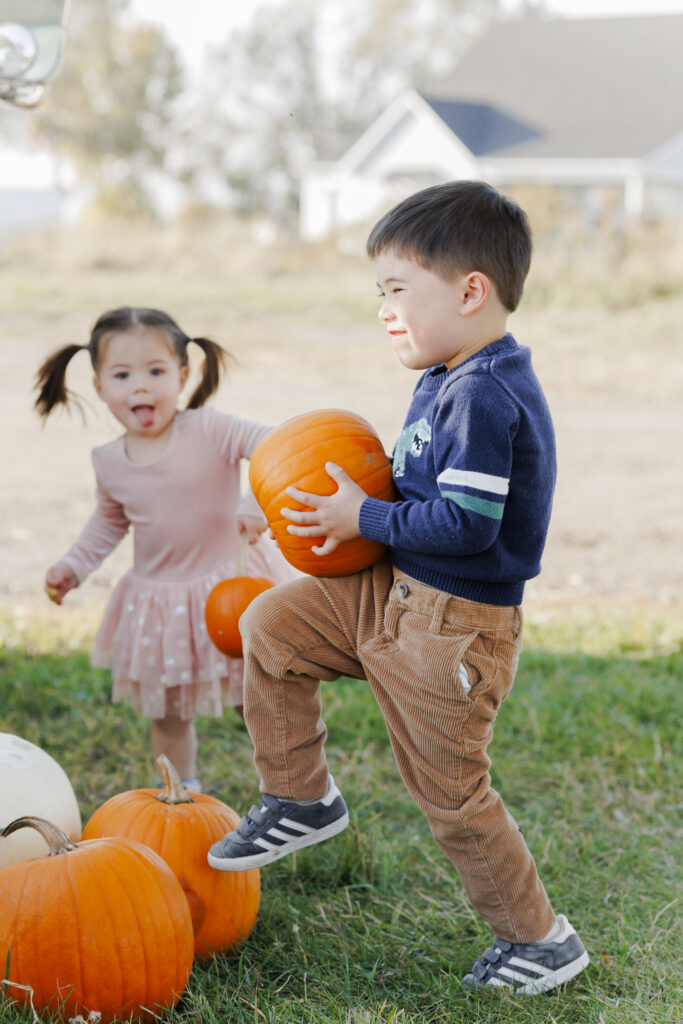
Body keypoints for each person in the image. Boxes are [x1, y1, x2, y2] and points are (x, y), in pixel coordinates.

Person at [207, 181, 589, 994]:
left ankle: (540, 940)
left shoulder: (484, 392)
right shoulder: (447, 375)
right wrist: (323, 509)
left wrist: (363, 515)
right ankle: (301, 795)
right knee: (273, 624)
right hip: (393, 592)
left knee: (452, 798)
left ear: (469, 290)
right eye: (377, 292)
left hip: (454, 627)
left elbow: (465, 525)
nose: (382, 310)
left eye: (395, 290)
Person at [35, 306, 296, 791]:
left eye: (156, 372)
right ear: (98, 387)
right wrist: (73, 566)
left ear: (181, 375)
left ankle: (290, 788)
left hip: (230, 584)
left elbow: (277, 444)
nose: (140, 386)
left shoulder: (209, 429)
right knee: (170, 713)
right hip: (161, 606)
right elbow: (108, 523)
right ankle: (182, 795)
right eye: (122, 374)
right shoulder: (109, 462)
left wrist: (255, 497)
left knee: (256, 696)